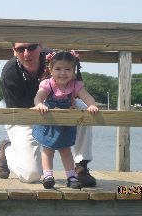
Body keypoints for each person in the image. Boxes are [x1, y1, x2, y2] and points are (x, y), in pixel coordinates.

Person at [0, 42, 97, 187]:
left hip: (57, 111)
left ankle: (81, 166)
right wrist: (44, 107)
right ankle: (6, 149)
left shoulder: (60, 59)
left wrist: (84, 104)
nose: (26, 53)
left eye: (31, 47)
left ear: (40, 47)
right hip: (23, 117)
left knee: (84, 109)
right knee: (31, 175)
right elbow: (17, 112)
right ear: (13, 50)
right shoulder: (10, 72)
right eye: (20, 49)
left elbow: (80, 92)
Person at [33, 51, 98, 189]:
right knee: (47, 149)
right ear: (50, 70)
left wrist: (91, 105)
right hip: (50, 120)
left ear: (73, 71)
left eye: (67, 69)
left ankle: (71, 177)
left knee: (65, 150)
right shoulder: (48, 84)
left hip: (66, 123)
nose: (63, 73)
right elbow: (38, 96)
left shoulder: (75, 85)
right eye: (58, 69)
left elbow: (86, 96)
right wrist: (39, 104)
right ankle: (48, 175)